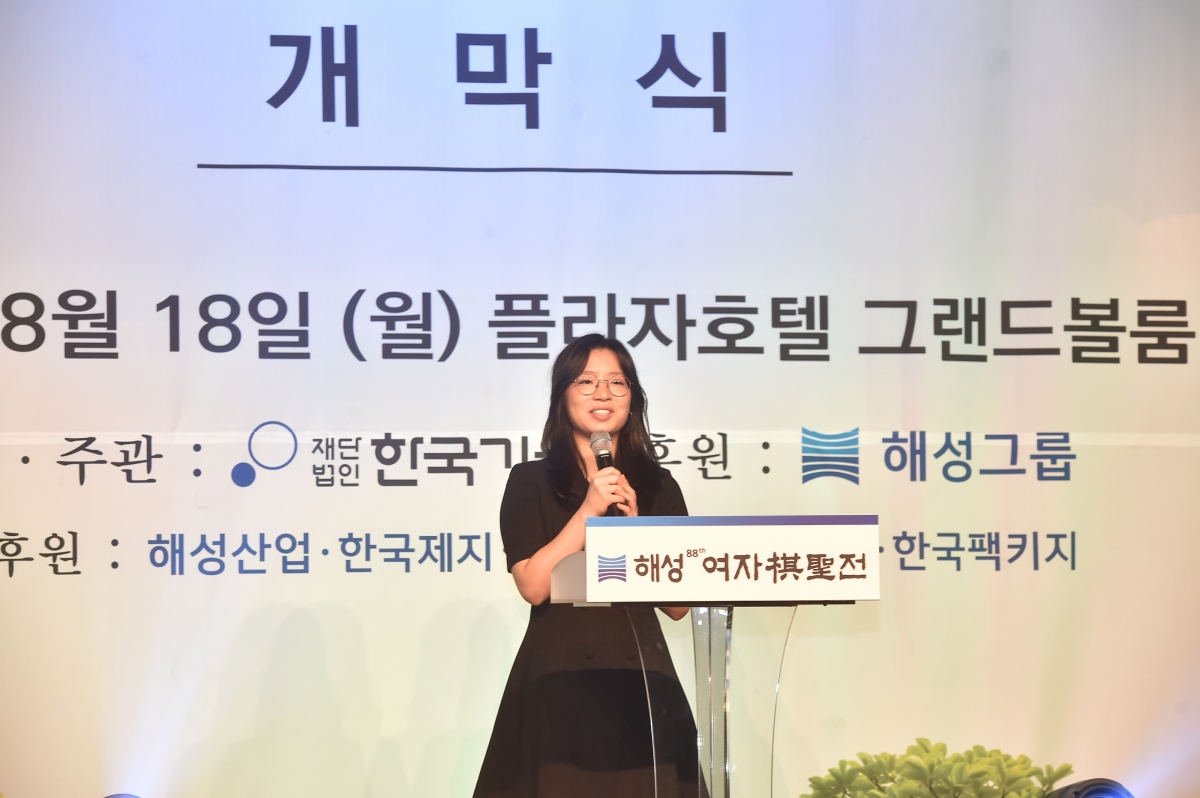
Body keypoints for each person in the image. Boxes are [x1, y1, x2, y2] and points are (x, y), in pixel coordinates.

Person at [473, 334, 703, 798]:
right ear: (562, 396)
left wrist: (636, 531)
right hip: (559, 680)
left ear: (633, 398)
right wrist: (589, 511)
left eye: (617, 382)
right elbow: (534, 585)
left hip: (640, 679)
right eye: (586, 381)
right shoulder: (531, 480)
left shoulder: (658, 485)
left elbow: (680, 605)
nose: (603, 393)